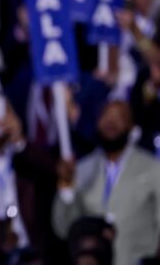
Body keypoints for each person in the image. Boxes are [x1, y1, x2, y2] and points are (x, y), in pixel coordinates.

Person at [52, 101, 160, 265]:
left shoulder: (152, 168)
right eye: (106, 116)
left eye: (118, 117)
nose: (111, 122)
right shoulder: (81, 169)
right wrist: (67, 188)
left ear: (132, 127)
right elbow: (64, 227)